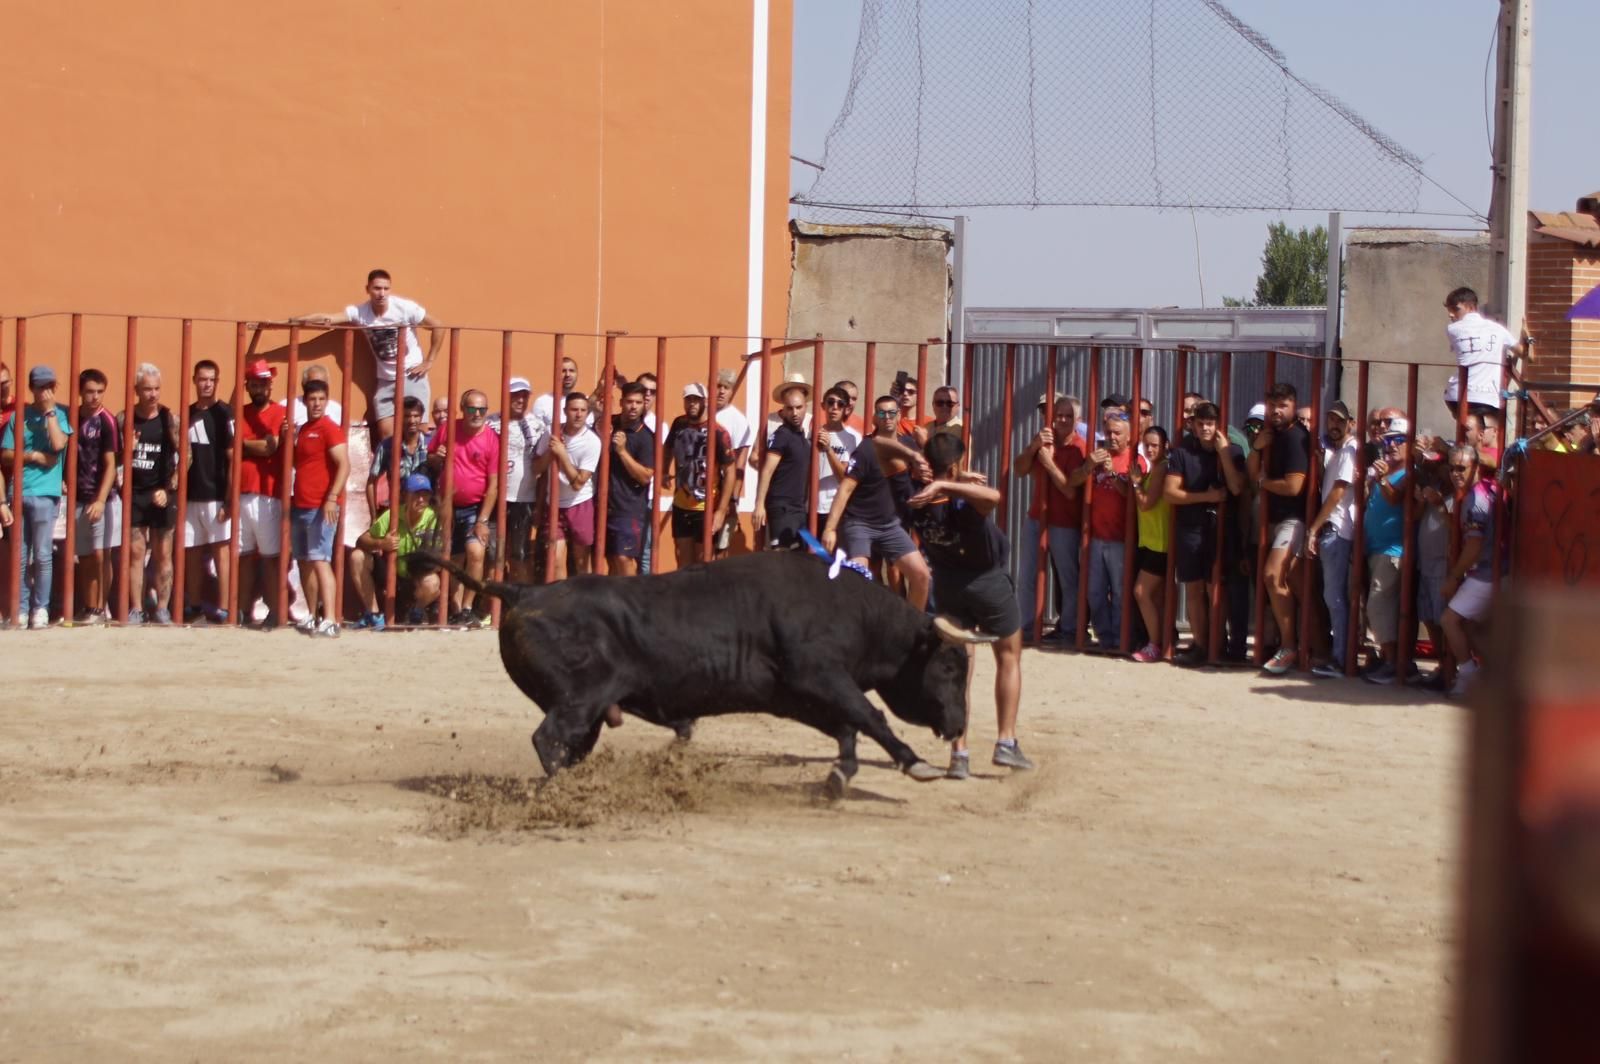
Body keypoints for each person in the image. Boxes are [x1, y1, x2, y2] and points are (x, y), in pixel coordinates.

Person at [907, 432, 1032, 776]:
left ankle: (959, 753)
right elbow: (993, 496)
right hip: (987, 583)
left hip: (948, 586)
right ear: (958, 463)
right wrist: (951, 486)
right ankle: (1006, 742)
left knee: (959, 668)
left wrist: (944, 483)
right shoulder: (961, 500)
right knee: (1008, 656)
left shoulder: (916, 500)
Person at [295, 269, 443, 440]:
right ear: (368, 289)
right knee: (386, 433)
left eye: (386, 289)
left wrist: (429, 361)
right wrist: (293, 321)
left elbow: (437, 325)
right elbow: (327, 318)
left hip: (411, 374)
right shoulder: (360, 312)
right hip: (386, 379)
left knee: (417, 428)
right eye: (377, 288)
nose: (382, 293)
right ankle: (395, 466)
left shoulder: (404, 308)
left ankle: (417, 466)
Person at [821, 398, 933, 611]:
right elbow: (845, 488)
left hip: (891, 525)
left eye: (892, 413)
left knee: (922, 577)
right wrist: (830, 528)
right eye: (882, 413)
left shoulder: (908, 445)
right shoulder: (866, 449)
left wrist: (924, 447)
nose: (888, 418)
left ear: (899, 415)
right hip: (859, 523)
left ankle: (911, 629)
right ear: (874, 418)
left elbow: (930, 474)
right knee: (859, 578)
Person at [1163, 402, 1246, 664]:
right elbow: (1170, 493)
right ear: (1193, 425)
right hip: (1190, 529)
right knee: (1195, 589)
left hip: (1221, 530)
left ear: (1219, 424)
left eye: (1210, 423)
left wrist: (1223, 454)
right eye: (1201, 423)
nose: (1205, 428)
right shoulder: (1182, 452)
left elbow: (1236, 488)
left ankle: (1217, 647)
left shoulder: (1232, 451)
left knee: (1216, 589)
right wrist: (1206, 496)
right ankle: (1201, 645)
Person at [0, 365, 72, 628]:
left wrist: (50, 411)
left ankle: (39, 609)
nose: (46, 392)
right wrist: (32, 456)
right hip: (19, 491)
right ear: (31, 388)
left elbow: (58, 444)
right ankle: (19, 607)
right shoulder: (20, 417)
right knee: (19, 555)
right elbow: (6, 454)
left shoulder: (61, 414)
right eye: (41, 387)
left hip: (46, 494)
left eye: (50, 386)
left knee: (43, 554)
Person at [1014, 396, 1087, 643]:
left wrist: (1048, 462)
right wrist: (1033, 448)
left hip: (1064, 522)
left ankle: (1069, 630)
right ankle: (1026, 629)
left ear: (1078, 420)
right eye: (1059, 415)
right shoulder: (1043, 440)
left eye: (1069, 416)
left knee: (1068, 579)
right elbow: (1019, 469)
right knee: (1027, 576)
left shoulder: (1080, 448)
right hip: (1036, 517)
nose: (1063, 420)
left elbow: (1069, 491)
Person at [1249, 383, 1311, 675]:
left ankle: (1289, 646)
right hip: (1273, 519)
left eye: (1283, 404)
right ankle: (1311, 649)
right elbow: (1249, 475)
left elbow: (1294, 486)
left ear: (1294, 405)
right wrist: (1257, 447)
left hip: (1293, 518)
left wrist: (1264, 484)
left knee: (1274, 576)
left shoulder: (1296, 437)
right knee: (1296, 586)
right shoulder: (1271, 436)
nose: (1276, 410)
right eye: (1273, 404)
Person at [428, 388, 500, 623]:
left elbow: (493, 485)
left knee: (476, 553)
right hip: (447, 505)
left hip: (474, 507)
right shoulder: (448, 429)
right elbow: (431, 460)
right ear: (463, 409)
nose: (477, 413)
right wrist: (437, 458)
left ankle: (468, 608)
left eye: (482, 409)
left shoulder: (491, 439)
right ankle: (456, 609)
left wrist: (482, 520)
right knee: (453, 559)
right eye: (472, 408)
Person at [121, 363, 180, 625]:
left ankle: (163, 608)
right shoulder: (125, 419)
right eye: (147, 389)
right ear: (136, 390)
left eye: (156, 389)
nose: (153, 395)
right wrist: (128, 449)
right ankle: (136, 608)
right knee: (135, 553)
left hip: (161, 494)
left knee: (163, 553)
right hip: (134, 493)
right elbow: (113, 459)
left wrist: (169, 489)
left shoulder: (169, 419)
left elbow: (186, 456)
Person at [1081, 407, 1144, 650]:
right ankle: (1105, 638)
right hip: (1096, 536)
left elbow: (1132, 496)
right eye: (1108, 432)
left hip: (1121, 537)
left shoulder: (1135, 460)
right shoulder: (1097, 455)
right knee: (1094, 593)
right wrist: (1089, 466)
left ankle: (1120, 639)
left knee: (1120, 594)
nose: (1112, 437)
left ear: (1129, 436)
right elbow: (1076, 480)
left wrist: (1111, 473)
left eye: (1117, 433)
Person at [290, 375, 348, 638]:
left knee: (321, 560)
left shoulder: (329, 428)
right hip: (300, 505)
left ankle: (331, 619)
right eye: (312, 399)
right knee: (304, 562)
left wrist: (332, 498)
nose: (317, 403)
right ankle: (313, 615)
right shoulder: (302, 430)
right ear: (304, 401)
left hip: (321, 507)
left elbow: (344, 465)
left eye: (321, 399)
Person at [1305, 400, 1359, 677]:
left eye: (1340, 420)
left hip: (1337, 528)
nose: (1334, 425)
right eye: (1331, 420)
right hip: (1336, 528)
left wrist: (1314, 527)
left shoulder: (1350, 449)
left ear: (1351, 423)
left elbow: (1338, 491)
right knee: (1334, 596)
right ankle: (1341, 656)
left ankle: (1342, 659)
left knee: (1335, 597)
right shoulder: (1338, 452)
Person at [1441, 445, 1499, 698]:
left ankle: (1468, 676)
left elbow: (1474, 544)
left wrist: (1454, 577)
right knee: (1475, 627)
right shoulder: (1489, 489)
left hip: (1487, 572)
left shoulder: (1477, 498)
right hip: (1495, 570)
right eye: (1451, 468)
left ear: (1476, 466)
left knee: (1449, 620)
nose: (1455, 473)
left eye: (1461, 468)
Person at [349, 472, 442, 629]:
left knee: (433, 583)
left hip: (417, 576)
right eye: (416, 495)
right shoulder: (392, 514)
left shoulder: (434, 518)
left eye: (425, 495)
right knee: (356, 556)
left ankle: (416, 611)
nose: (421, 500)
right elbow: (361, 541)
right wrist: (381, 543)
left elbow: (441, 557)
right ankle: (374, 615)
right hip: (391, 573)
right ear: (405, 495)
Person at [236, 359, 288, 629]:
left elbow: (271, 447)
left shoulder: (280, 412)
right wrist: (249, 447)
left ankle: (275, 612)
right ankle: (241, 611)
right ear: (247, 386)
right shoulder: (240, 412)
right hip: (240, 492)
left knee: (270, 558)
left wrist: (243, 444)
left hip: (268, 493)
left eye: (263, 383)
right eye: (254, 383)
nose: (259, 388)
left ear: (270, 385)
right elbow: (232, 451)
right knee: (242, 557)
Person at [181, 359, 234, 624]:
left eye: (212, 379)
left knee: (220, 550)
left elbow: (233, 458)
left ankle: (224, 608)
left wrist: (229, 499)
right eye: (202, 379)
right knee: (191, 551)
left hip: (217, 495)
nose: (207, 384)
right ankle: (193, 605)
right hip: (190, 495)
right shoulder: (187, 413)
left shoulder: (226, 414)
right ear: (194, 380)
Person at [664, 383, 737, 567]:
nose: (692, 404)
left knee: (703, 564)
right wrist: (665, 470)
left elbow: (730, 470)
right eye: (689, 400)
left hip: (706, 507)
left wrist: (721, 510)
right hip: (681, 504)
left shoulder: (718, 432)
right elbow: (667, 447)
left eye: (697, 400)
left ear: (705, 402)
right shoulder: (679, 424)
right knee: (683, 562)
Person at [1360, 426, 1411, 685]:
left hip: (1392, 552)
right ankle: (1386, 660)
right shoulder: (1386, 473)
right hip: (1375, 549)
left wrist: (1380, 480)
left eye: (1398, 440)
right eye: (1388, 440)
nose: (1391, 445)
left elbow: (1395, 500)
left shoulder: (1407, 474)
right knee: (1377, 608)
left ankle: (1393, 663)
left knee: (1379, 606)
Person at [533, 392, 602, 580]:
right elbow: (536, 468)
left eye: (583, 410)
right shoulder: (551, 432)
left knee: (581, 562)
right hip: (553, 504)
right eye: (574, 410)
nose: (578, 414)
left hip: (580, 503)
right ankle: (562, 605)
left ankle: (585, 605)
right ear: (565, 411)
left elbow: (578, 483)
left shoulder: (592, 442)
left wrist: (562, 454)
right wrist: (550, 453)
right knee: (555, 561)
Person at [72, 368, 121, 625]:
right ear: (80, 391)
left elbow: (111, 464)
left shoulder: (107, 421)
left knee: (102, 554)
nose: (95, 397)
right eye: (90, 391)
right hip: (78, 497)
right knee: (85, 555)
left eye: (100, 392)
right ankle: (89, 607)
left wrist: (101, 500)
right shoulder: (72, 417)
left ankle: (102, 608)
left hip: (103, 498)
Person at [1442, 286, 1529, 419]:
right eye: (1449, 310)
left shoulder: (1452, 329)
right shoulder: (1498, 329)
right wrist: (1528, 337)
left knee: (1468, 432)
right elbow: (1526, 355)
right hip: (1488, 398)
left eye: (1455, 309)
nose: (1451, 314)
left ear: (1471, 307)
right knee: (1486, 434)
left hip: (1457, 395)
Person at [488, 378, 544, 583]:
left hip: (524, 499)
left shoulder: (537, 425)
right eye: (515, 395)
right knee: (493, 555)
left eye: (524, 395)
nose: (520, 399)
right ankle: (489, 608)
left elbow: (543, 465)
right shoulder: (490, 423)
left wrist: (539, 503)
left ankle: (521, 604)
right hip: (495, 499)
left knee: (519, 555)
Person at [752, 377, 812, 549]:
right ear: (783, 410)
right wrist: (759, 505)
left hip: (798, 507)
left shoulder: (801, 435)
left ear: (805, 407)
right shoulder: (782, 434)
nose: (794, 413)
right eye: (790, 408)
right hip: (782, 506)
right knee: (782, 557)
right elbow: (767, 470)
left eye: (798, 408)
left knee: (798, 559)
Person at [604, 381, 655, 575]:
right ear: (621, 402)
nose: (633, 406)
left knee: (624, 559)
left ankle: (631, 603)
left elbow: (645, 477)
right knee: (610, 560)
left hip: (629, 508)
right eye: (629, 401)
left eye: (638, 402)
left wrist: (622, 452)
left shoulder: (646, 437)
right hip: (604, 505)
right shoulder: (609, 423)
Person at [1130, 426, 1171, 662]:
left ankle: (1154, 645)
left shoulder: (1162, 468)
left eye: (1155, 445)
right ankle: (1161, 643)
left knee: (1141, 592)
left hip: (1159, 542)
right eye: (1148, 445)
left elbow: (1146, 504)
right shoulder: (1154, 468)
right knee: (1153, 596)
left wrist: (1136, 484)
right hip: (1151, 539)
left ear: (1165, 445)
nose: (1151, 449)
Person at [710, 369, 754, 558]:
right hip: (702, 492)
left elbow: (739, 464)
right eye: (718, 386)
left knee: (721, 548)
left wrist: (732, 499)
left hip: (724, 492)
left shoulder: (738, 421)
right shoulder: (703, 413)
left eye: (726, 388)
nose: (721, 391)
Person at [367, 395, 431, 519]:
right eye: (407, 416)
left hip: (426, 513)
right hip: (398, 513)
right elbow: (371, 482)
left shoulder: (431, 444)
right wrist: (374, 516)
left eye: (416, 416)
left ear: (421, 417)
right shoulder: (387, 446)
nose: (412, 420)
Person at [815, 386, 862, 524]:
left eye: (840, 404)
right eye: (830, 402)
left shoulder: (852, 437)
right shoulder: (812, 433)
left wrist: (828, 449)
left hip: (836, 506)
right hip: (810, 506)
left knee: (831, 545)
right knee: (811, 546)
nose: (835, 407)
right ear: (823, 405)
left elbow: (845, 477)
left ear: (846, 409)